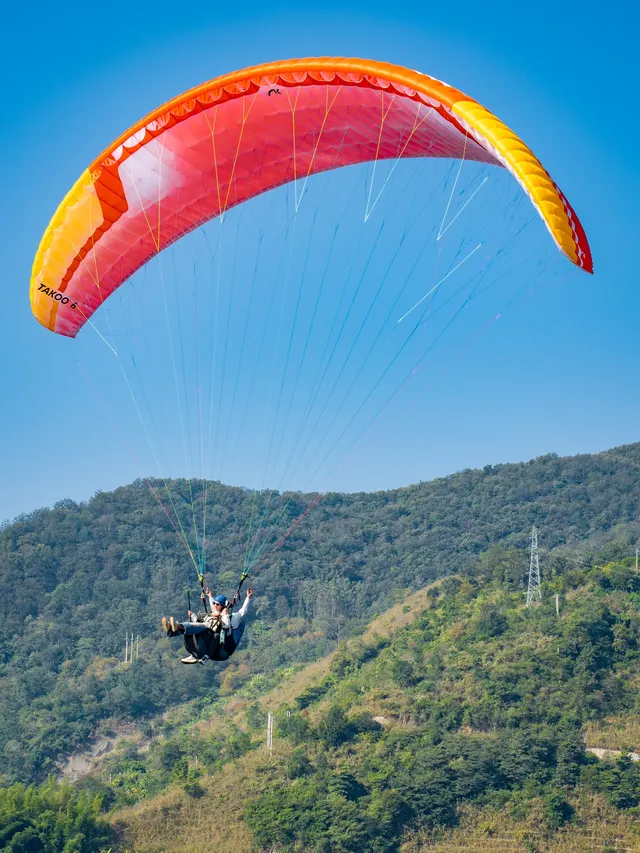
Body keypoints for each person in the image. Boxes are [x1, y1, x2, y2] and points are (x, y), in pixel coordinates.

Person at [162, 587, 254, 664]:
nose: (215, 605)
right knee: (195, 629)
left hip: (221, 651)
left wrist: (248, 598)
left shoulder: (232, 618)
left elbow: (243, 611)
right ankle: (171, 630)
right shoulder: (213, 616)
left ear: (222, 607)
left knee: (205, 628)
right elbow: (211, 608)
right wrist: (209, 596)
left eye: (217, 604)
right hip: (208, 646)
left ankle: (178, 626)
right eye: (214, 604)